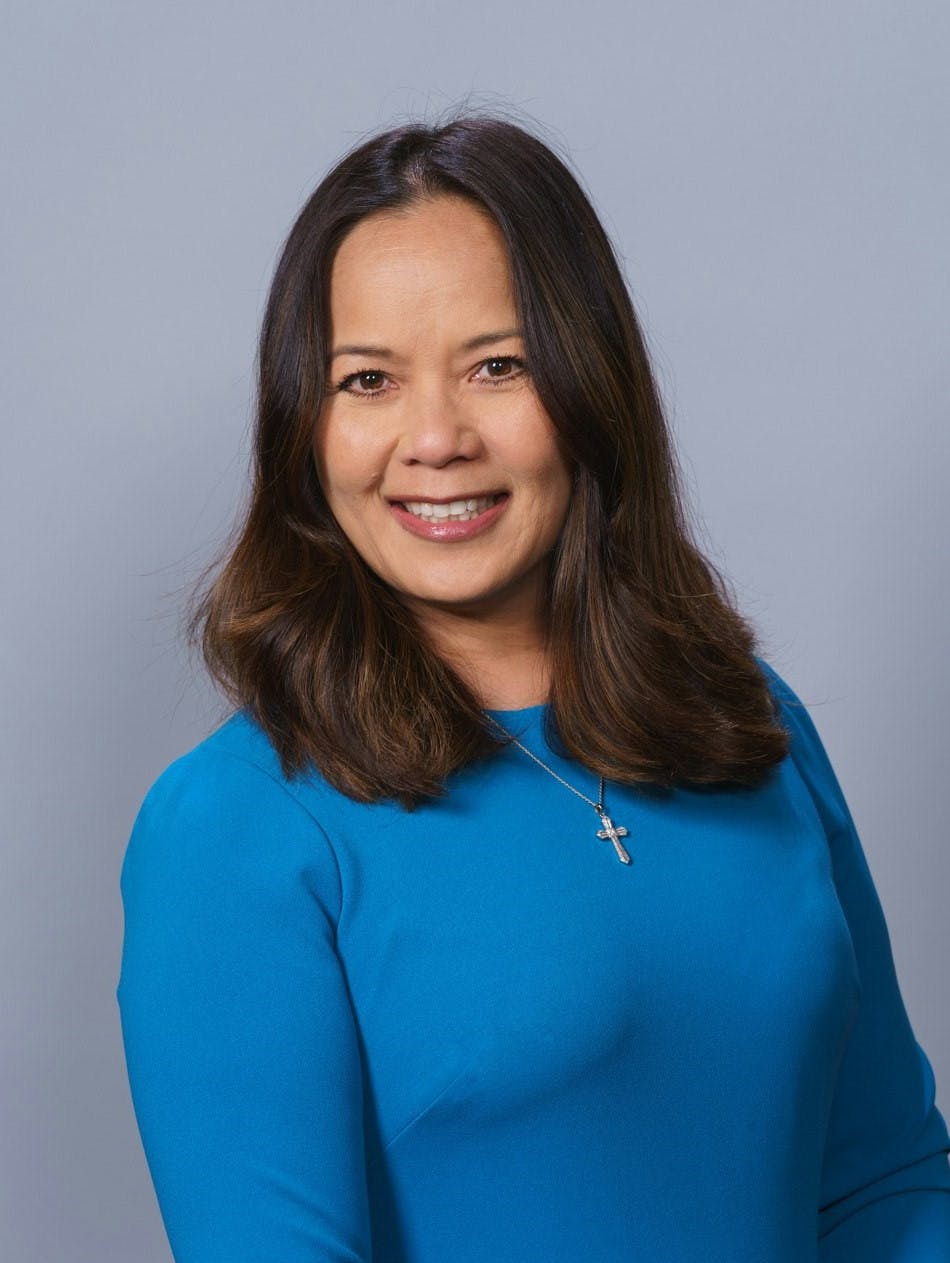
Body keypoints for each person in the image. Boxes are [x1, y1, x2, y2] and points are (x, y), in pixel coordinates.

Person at [116, 115, 950, 1262]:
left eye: (496, 366)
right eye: (367, 381)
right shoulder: (232, 831)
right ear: (306, 433)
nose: (435, 438)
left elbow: (886, 1185)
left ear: (587, 385)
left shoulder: (752, 725)